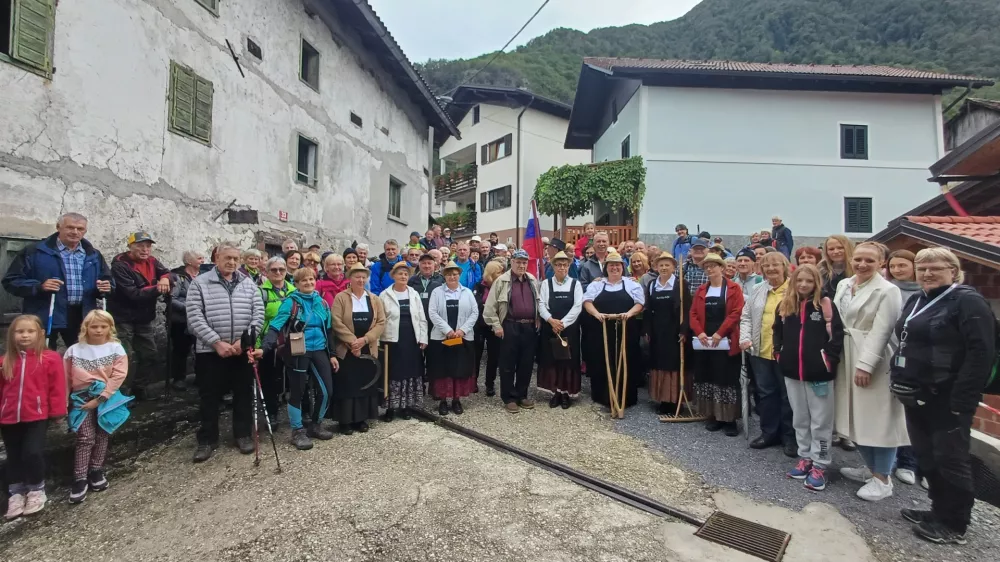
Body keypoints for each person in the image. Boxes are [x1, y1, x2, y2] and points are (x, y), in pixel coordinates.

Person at [890, 247, 994, 545]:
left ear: (953, 270)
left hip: (948, 396)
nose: (927, 273)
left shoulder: (967, 301)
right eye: (922, 268)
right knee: (927, 455)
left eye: (935, 268)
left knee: (951, 459)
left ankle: (954, 523)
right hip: (917, 392)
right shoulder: (918, 299)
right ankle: (937, 509)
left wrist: (963, 398)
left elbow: (981, 353)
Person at [833, 242, 905, 502]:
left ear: (881, 263)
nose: (862, 264)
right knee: (854, 415)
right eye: (858, 259)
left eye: (870, 261)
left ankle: (883, 479)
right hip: (844, 353)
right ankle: (870, 468)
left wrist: (866, 365)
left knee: (879, 419)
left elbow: (883, 330)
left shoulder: (888, 290)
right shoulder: (844, 284)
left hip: (870, 356)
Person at [186, 243, 264, 463]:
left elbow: (258, 315)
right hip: (210, 351)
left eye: (235, 259)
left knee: (243, 393)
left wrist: (243, 341)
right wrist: (216, 342)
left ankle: (243, 435)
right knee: (209, 396)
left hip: (241, 350)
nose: (232, 262)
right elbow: (194, 317)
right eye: (227, 258)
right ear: (217, 258)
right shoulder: (200, 283)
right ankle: (207, 439)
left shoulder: (248, 284)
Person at [773, 265, 845, 492]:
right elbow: (777, 332)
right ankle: (805, 457)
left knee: (821, 421)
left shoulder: (825, 305)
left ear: (816, 283)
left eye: (809, 281)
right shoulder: (785, 306)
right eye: (799, 280)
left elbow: (837, 336)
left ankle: (820, 463)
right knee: (800, 418)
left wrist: (827, 361)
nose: (804, 285)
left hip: (819, 374)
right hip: (792, 372)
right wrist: (779, 354)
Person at [2, 213, 113, 350]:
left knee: (84, 357)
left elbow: (107, 280)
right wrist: (39, 286)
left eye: (80, 229)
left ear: (85, 231)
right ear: (58, 227)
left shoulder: (93, 254)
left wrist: (105, 287)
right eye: (70, 227)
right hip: (45, 313)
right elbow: (11, 281)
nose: (75, 232)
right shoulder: (35, 251)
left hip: (82, 316)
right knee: (43, 356)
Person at [260, 267, 338, 450]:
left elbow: (328, 330)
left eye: (311, 279)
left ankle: (316, 425)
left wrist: (333, 354)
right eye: (304, 280)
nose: (308, 283)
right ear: (296, 284)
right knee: (297, 392)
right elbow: (275, 326)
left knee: (327, 390)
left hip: (319, 349)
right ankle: (297, 431)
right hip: (297, 351)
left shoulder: (322, 303)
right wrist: (264, 348)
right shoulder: (290, 302)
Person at [0, 315, 66, 519]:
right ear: (12, 335)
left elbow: (57, 388)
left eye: (30, 331)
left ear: (40, 334)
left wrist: (58, 411)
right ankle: (16, 492)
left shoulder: (50, 358)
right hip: (8, 417)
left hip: (36, 415)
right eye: (20, 331)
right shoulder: (5, 361)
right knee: (14, 455)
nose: (25, 335)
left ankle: (36, 488)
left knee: (32, 452)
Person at [64, 310, 130, 504]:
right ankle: (79, 478)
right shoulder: (74, 351)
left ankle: (96, 470)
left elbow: (118, 375)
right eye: (94, 326)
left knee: (102, 434)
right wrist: (65, 402)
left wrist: (101, 398)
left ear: (110, 328)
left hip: (106, 397)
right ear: (86, 328)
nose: (99, 330)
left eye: (103, 326)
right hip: (81, 399)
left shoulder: (116, 348)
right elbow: (66, 378)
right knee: (85, 437)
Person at [739, 251, 796, 453]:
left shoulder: (794, 289)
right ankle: (769, 433)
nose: (771, 269)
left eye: (775, 264)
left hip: (787, 353)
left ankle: (790, 437)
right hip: (761, 350)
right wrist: (745, 338)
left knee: (788, 396)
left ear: (785, 266)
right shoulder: (758, 289)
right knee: (766, 394)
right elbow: (746, 317)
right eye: (766, 265)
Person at [108, 232, 171, 400]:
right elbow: (133, 294)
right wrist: (158, 288)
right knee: (124, 357)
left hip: (144, 317)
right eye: (140, 246)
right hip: (123, 317)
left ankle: (139, 389)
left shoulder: (152, 261)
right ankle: (120, 394)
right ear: (130, 247)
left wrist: (165, 279)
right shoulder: (120, 266)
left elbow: (166, 272)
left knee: (150, 354)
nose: (145, 250)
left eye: (148, 246)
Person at [581, 251, 645, 410]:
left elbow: (640, 303)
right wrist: (597, 314)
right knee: (602, 359)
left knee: (627, 360)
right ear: (606, 268)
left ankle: (626, 396)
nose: (614, 268)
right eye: (611, 265)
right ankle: (602, 396)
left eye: (617, 265)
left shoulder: (631, 284)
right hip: (601, 329)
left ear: (622, 267)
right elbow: (587, 302)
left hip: (626, 329)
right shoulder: (597, 284)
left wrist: (629, 314)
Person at [690, 253, 744, 436]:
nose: (709, 269)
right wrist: (700, 333)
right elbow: (693, 314)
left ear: (722, 268)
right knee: (708, 377)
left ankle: (729, 420)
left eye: (713, 266)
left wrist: (720, 333)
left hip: (726, 341)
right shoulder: (701, 290)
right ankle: (713, 416)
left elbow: (736, 313)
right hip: (705, 342)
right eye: (707, 267)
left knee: (726, 379)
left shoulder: (734, 289)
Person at [330, 263, 386, 434]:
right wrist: (353, 342)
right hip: (347, 349)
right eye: (357, 277)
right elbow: (336, 322)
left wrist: (364, 340)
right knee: (347, 384)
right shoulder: (341, 298)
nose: (361, 280)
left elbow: (381, 322)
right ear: (350, 278)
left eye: (363, 277)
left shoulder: (374, 299)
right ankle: (345, 421)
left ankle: (361, 419)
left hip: (367, 348)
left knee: (365, 382)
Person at [483, 250, 539, 413]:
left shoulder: (532, 280)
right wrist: (496, 326)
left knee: (526, 363)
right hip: (509, 326)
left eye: (524, 262)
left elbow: (539, 302)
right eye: (518, 262)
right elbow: (489, 308)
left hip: (529, 327)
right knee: (508, 364)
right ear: (511, 262)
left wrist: (538, 319)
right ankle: (509, 397)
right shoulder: (501, 281)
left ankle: (522, 395)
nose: (521, 265)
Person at [885, 249, 921, 486]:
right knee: (889, 411)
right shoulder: (887, 289)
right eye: (893, 266)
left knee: (910, 412)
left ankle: (909, 462)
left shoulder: (923, 293)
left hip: (914, 357)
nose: (897, 270)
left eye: (902, 265)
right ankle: (889, 460)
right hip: (888, 354)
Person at [428, 261, 479, 415]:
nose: (452, 277)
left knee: (460, 368)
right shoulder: (437, 292)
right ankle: (443, 400)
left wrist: (462, 330)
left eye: (455, 274)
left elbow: (475, 313)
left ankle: (456, 400)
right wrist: (448, 330)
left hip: (462, 338)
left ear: (459, 275)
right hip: (441, 338)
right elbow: (432, 313)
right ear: (444, 276)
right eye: (449, 274)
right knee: (442, 369)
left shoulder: (467, 292)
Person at [379, 262, 428, 421]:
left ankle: (407, 406)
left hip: (412, 338)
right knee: (393, 373)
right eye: (400, 273)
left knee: (410, 372)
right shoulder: (384, 295)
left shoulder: (414, 294)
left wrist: (423, 338)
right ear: (393, 276)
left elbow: (421, 318)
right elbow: (380, 319)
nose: (403, 276)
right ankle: (391, 408)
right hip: (392, 340)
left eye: (406, 274)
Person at [537, 252, 584, 409]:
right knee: (552, 360)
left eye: (565, 265)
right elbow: (541, 304)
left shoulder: (575, 284)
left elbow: (577, 306)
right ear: (553, 266)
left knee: (568, 361)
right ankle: (555, 392)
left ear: (569, 266)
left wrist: (562, 323)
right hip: (550, 328)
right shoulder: (546, 284)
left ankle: (566, 394)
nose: (562, 267)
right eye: (558, 265)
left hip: (569, 329)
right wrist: (551, 320)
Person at [646, 253, 685, 416]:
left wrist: (684, 330)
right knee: (659, 363)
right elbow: (648, 309)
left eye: (667, 265)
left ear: (673, 267)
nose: (663, 268)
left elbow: (687, 309)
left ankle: (675, 400)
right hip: (657, 331)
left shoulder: (681, 284)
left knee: (673, 364)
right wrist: (647, 330)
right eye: (661, 265)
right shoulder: (652, 285)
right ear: (656, 267)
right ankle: (662, 399)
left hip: (675, 331)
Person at [257, 257, 294, 421]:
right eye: (274, 269)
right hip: (268, 341)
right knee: (269, 378)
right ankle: (271, 413)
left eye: (281, 269)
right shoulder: (260, 292)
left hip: (291, 340)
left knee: (293, 377)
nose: (278, 272)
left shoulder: (294, 291)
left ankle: (297, 413)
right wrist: (258, 345)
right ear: (266, 272)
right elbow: (256, 320)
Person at [167, 251, 203, 391]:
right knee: (181, 350)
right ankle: (179, 379)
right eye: (199, 258)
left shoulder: (204, 276)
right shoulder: (178, 277)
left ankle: (200, 377)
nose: (202, 261)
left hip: (200, 319)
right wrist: (190, 308)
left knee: (201, 349)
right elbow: (172, 299)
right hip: (181, 321)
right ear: (189, 261)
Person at [474, 260, 505, 396]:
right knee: (476, 355)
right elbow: (476, 304)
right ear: (491, 273)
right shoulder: (479, 286)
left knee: (494, 356)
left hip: (494, 325)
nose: (501, 275)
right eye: (498, 272)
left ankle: (490, 384)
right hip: (480, 325)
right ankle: (473, 381)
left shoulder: (502, 286)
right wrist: (487, 306)